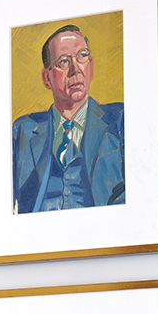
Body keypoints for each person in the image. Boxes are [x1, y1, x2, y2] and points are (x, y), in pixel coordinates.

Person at [12, 25, 125, 213]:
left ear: (91, 65)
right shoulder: (23, 130)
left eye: (82, 56)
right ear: (47, 78)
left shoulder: (119, 120)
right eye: (64, 61)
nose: (75, 69)